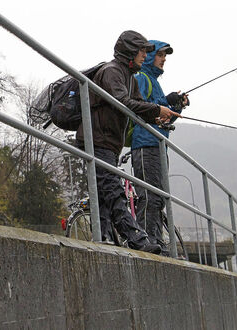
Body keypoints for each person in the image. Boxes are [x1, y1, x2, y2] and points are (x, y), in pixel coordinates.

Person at [76, 31, 181, 254]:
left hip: (110, 144)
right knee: (114, 192)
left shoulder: (130, 78)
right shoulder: (112, 71)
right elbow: (123, 102)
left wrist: (160, 115)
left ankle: (103, 239)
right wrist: (155, 109)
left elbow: (139, 106)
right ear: (130, 52)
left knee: (105, 196)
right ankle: (137, 240)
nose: (145, 55)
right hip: (97, 140)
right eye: (142, 51)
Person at [131, 40, 190, 254]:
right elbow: (139, 109)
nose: (164, 59)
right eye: (161, 54)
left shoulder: (155, 82)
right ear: (149, 56)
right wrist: (165, 103)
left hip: (158, 145)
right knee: (150, 196)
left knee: (160, 198)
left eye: (165, 55)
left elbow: (161, 119)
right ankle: (146, 242)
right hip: (145, 145)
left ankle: (155, 241)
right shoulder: (142, 79)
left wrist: (174, 105)